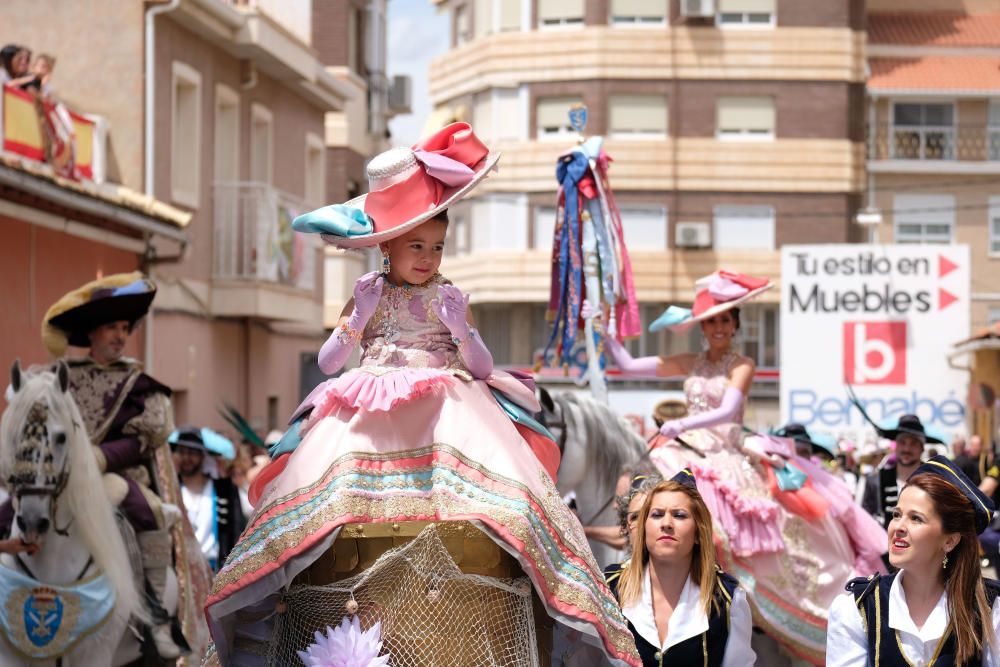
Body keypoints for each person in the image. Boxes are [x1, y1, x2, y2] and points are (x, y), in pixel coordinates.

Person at [204, 123, 640, 666]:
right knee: (312, 505)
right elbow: (328, 365)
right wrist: (357, 319)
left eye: (436, 246)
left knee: (516, 509)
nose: (428, 257)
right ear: (386, 245)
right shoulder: (368, 294)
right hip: (369, 405)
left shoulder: (450, 295)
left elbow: (479, 367)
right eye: (417, 245)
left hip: (447, 405)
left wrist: (463, 331)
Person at [598, 271, 888, 664]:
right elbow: (629, 365)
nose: (718, 327)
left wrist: (683, 422)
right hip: (686, 448)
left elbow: (729, 410)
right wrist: (602, 327)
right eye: (712, 320)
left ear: (734, 324)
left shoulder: (743, 363)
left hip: (724, 453)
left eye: (725, 319)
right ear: (702, 327)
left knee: (732, 527)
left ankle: (728, 595)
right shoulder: (692, 362)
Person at [17, 273, 210, 659]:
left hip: (117, 475)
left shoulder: (139, 385)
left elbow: (146, 438)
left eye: (125, 328)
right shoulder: (57, 378)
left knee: (149, 513)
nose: (120, 335)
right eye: (111, 327)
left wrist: (102, 457)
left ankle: (156, 617)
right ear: (92, 333)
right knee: (12, 508)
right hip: (58, 477)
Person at [828, 455, 1000, 665]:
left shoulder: (990, 609)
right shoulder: (858, 609)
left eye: (916, 518)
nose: (898, 527)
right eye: (897, 515)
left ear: (950, 541)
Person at [604, 470, 755, 666]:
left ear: (699, 533)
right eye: (657, 515)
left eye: (679, 515)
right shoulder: (609, 587)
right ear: (644, 528)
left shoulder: (728, 599)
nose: (666, 523)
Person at [170, 427, 246, 572]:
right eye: (182, 452)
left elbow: (237, 532)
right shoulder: (171, 489)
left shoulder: (224, 490)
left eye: (192, 453)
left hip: (215, 571)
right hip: (180, 570)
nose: (187, 458)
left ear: (202, 456)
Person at [861, 414, 941, 529]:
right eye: (902, 442)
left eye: (913, 443)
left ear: (922, 448)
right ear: (896, 446)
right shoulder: (876, 480)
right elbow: (865, 519)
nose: (907, 449)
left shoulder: (935, 480)